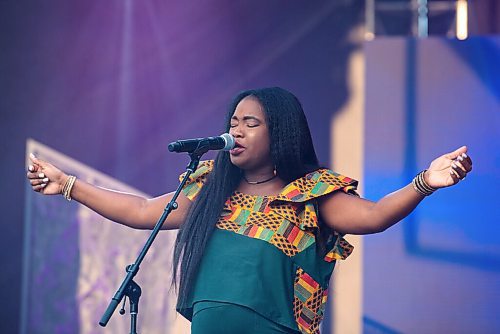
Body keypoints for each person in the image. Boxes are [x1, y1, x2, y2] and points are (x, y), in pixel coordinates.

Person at [26, 87, 472, 334]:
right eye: (232, 123)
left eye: (250, 123)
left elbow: (374, 217)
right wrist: (68, 185)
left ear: (279, 133)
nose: (235, 130)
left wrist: (425, 182)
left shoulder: (309, 193)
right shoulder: (209, 190)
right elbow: (142, 210)